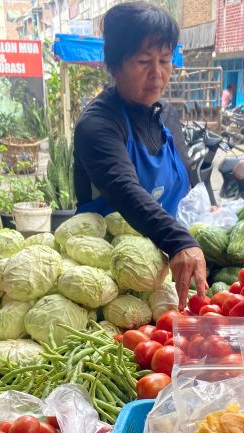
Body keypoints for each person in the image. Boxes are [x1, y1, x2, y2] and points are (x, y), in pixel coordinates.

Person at [73, 1, 206, 309]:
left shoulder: (166, 116)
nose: (157, 73)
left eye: (164, 60)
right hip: (106, 284)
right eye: (144, 60)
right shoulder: (98, 124)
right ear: (116, 65)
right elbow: (125, 189)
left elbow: (187, 181)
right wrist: (179, 240)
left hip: (164, 270)